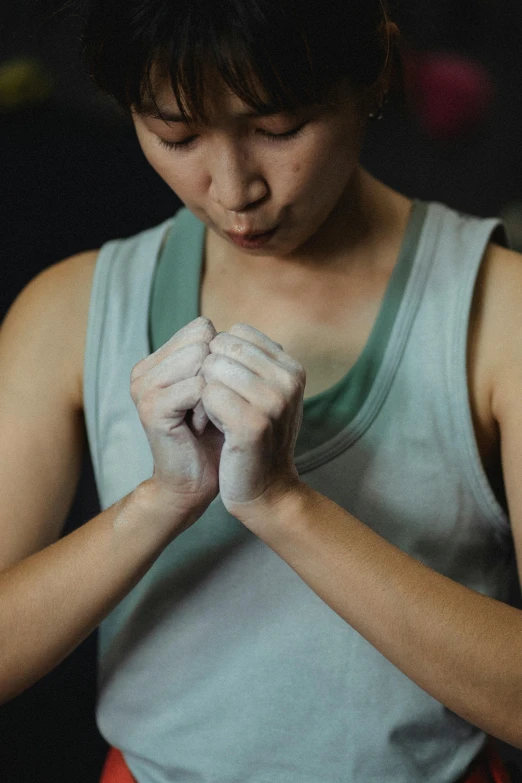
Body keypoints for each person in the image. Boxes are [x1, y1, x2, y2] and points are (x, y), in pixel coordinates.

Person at [0, 0, 519, 781]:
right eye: (176, 136)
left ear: (375, 71)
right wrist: (162, 500)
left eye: (279, 129)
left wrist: (284, 504)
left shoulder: (499, 311)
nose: (234, 190)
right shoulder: (68, 308)